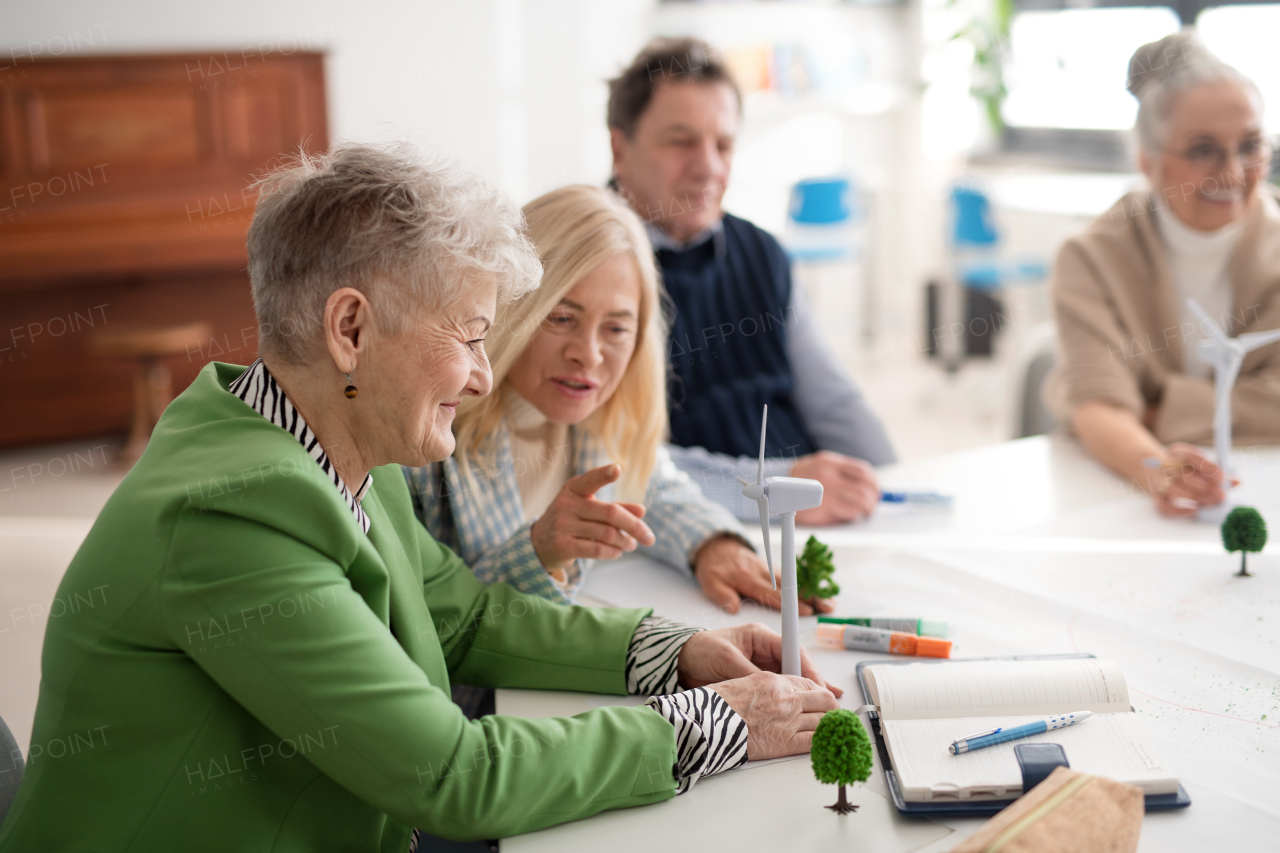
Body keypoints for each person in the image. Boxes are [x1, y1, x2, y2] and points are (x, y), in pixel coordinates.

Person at [0, 145, 843, 853]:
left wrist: (680, 653)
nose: (484, 373)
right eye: (470, 335)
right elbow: (454, 776)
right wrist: (716, 722)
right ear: (352, 330)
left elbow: (465, 618)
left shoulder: (342, 442)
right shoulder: (232, 516)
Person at [405, 185, 833, 616]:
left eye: (616, 328)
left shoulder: (603, 419)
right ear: (508, 309)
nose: (588, 354)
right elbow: (426, 619)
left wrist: (714, 546)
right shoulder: (423, 440)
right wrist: (538, 552)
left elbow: (657, 489)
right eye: (562, 318)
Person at [607, 37, 897, 526]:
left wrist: (892, 485)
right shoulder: (586, 263)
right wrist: (777, 488)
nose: (710, 167)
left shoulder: (763, 252)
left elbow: (833, 402)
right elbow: (609, 460)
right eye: (681, 141)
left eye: (723, 144)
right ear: (620, 148)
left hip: (803, 518)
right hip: (687, 529)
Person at [1046, 32, 1280, 517]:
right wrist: (1156, 466)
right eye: (1203, 150)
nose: (1234, 173)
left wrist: (1160, 411)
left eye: (1251, 144)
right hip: (1124, 505)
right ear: (1147, 161)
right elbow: (1099, 404)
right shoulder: (1089, 256)